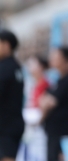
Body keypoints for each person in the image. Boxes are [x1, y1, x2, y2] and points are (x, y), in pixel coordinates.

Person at [41, 47, 68, 161]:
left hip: (64, 129)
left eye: (55, 56)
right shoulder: (57, 79)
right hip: (54, 129)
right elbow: (43, 99)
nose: (52, 59)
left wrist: (45, 104)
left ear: (65, 59)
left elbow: (49, 102)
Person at [0, 30, 24, 161]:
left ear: (6, 45)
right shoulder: (16, 66)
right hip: (13, 124)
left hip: (5, 127)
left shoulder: (5, 68)